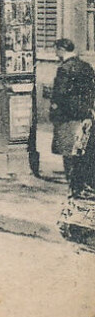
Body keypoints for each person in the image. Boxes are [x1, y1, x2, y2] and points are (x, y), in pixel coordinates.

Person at [50, 38, 94, 197]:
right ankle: (84, 183)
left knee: (68, 150)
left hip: (67, 115)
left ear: (62, 49)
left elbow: (60, 94)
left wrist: (54, 108)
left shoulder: (65, 69)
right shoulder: (86, 66)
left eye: (56, 49)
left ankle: (74, 185)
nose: (55, 53)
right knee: (82, 149)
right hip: (84, 114)